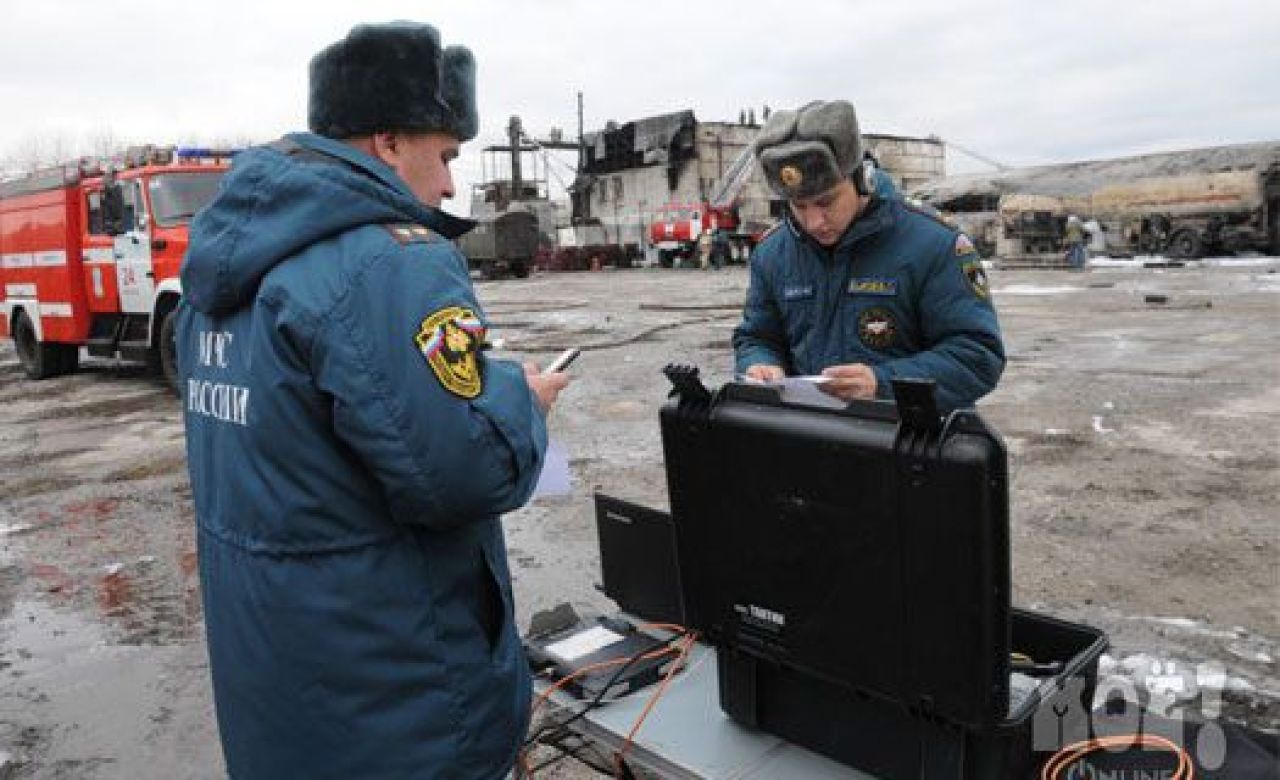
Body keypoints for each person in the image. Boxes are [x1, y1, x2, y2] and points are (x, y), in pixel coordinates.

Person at [176, 22, 569, 778]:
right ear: (389, 143)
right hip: (401, 713)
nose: (452, 184)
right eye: (446, 154)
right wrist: (524, 402)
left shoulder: (220, 273)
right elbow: (462, 474)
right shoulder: (391, 263)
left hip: (279, 699)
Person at [733, 100, 1004, 412]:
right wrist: (760, 364)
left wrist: (882, 383)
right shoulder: (772, 254)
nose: (813, 222)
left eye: (826, 202)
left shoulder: (933, 244)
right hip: (809, 442)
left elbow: (978, 356)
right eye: (799, 205)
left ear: (862, 179)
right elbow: (757, 337)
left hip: (908, 447)